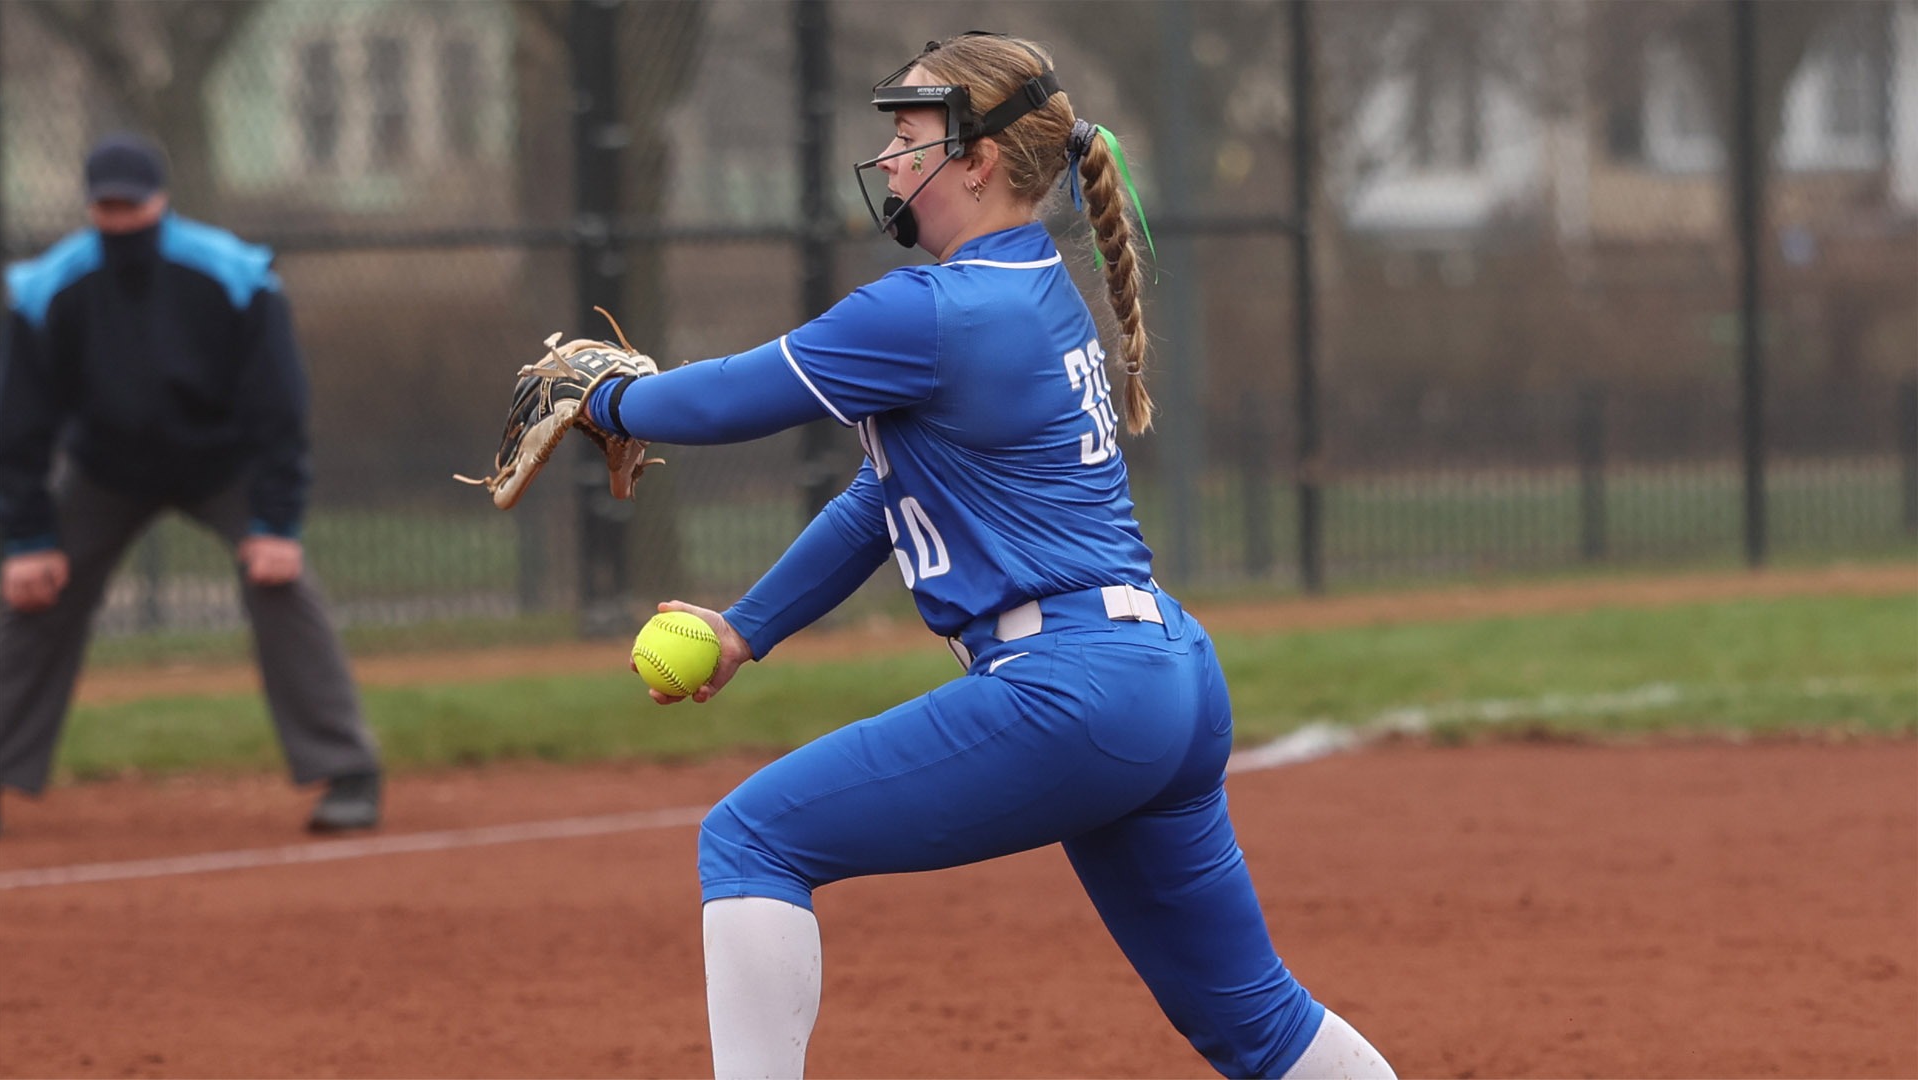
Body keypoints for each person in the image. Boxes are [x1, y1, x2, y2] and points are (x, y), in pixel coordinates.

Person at [580, 34, 1395, 1078]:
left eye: (911, 136)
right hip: (1167, 677)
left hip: (1072, 689)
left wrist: (610, 400)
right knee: (1260, 1025)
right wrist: (746, 629)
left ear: (978, 160)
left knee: (752, 839)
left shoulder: (932, 310)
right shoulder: (1032, 288)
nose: (890, 159)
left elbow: (732, 398)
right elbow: (880, 503)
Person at [0, 133, 383, 836]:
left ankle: (349, 769)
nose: (120, 219)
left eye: (132, 205)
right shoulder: (49, 286)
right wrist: (26, 538)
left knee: (281, 586)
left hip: (223, 463)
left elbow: (278, 406)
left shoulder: (233, 273)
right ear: (89, 207)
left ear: (162, 200)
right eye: (107, 207)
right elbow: (20, 421)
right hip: (105, 468)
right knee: (36, 594)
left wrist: (276, 525)